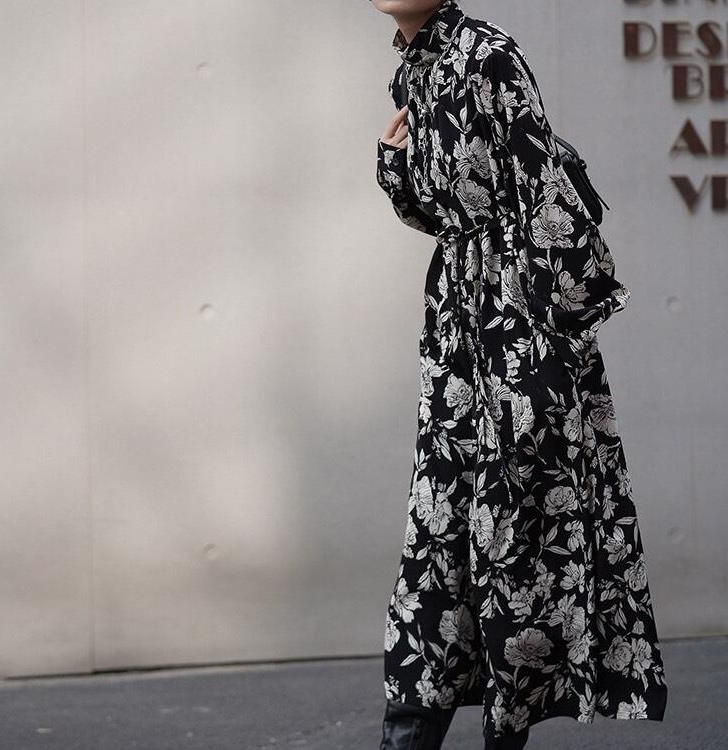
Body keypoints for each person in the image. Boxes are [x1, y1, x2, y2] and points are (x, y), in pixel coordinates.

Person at [371, 1, 669, 748]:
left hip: (517, 340)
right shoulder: (414, 72)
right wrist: (393, 167)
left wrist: (548, 359)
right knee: (440, 548)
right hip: (458, 343)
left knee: (513, 554)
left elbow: (546, 197)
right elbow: (445, 213)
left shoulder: (488, 55)